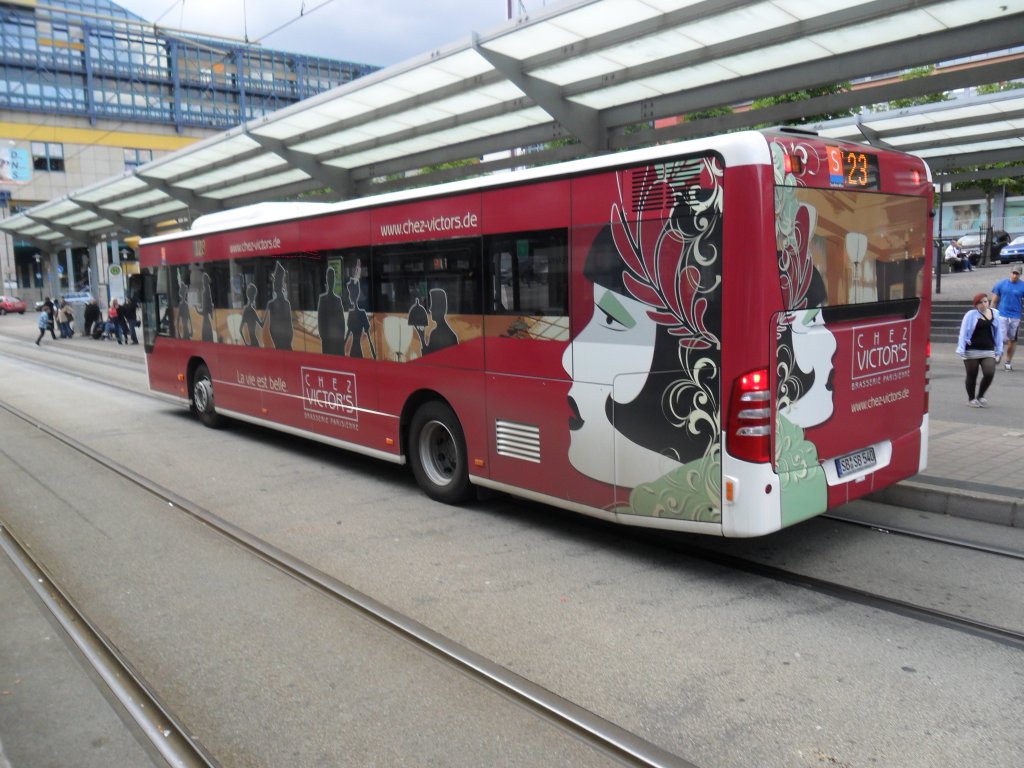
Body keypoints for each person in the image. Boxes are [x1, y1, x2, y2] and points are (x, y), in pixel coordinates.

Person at [956, 292, 1004, 407]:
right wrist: (961, 349)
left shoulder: (995, 313)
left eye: (985, 301)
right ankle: (971, 398)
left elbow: (999, 334)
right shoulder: (970, 315)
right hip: (971, 350)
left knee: (989, 373)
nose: (983, 304)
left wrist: (999, 350)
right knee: (972, 375)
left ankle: (980, 395)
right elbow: (963, 332)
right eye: (980, 302)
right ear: (976, 305)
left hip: (988, 349)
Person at [991, 265, 1024, 371]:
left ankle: (1008, 362)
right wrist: (991, 313)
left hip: (1015, 316)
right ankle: (998, 354)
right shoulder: (1001, 284)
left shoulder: (1022, 286)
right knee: (1000, 337)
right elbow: (994, 300)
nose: (1014, 275)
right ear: (1010, 273)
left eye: (1017, 274)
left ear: (1020, 275)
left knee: (1012, 340)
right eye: (1013, 273)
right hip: (1002, 315)